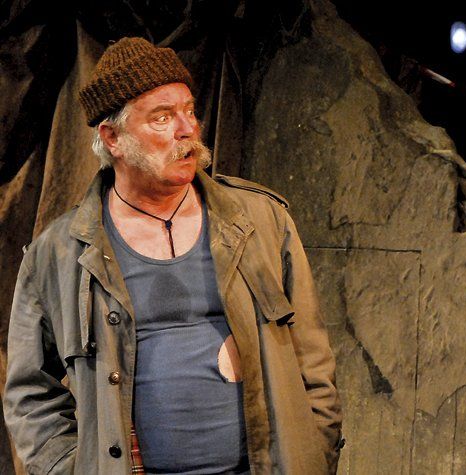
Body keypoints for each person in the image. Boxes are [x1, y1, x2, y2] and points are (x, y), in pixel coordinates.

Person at [3, 37, 342, 474]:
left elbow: (313, 360)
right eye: (162, 117)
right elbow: (30, 394)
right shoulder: (59, 253)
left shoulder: (260, 221)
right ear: (113, 138)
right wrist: (69, 468)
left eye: (189, 111)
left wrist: (316, 450)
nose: (187, 130)